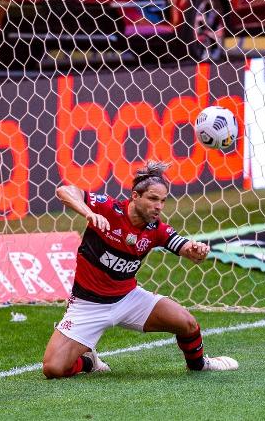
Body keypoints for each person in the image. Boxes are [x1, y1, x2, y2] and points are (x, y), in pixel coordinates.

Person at [42, 161, 239, 378]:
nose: (159, 206)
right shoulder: (109, 209)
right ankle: (89, 361)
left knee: (188, 324)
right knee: (53, 368)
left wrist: (195, 250)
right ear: (135, 196)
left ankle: (200, 365)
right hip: (88, 305)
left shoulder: (157, 229)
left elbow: (182, 247)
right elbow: (64, 191)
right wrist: (88, 212)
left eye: (163, 201)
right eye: (153, 199)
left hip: (128, 299)